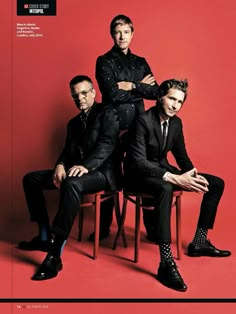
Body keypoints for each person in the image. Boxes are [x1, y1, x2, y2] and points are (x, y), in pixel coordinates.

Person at [124, 78, 231, 292]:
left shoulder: (176, 123)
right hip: (138, 175)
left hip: (162, 170)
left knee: (216, 183)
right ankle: (166, 261)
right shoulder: (142, 121)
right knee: (166, 188)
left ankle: (199, 241)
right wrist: (175, 179)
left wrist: (192, 175)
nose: (175, 105)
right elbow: (139, 162)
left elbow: (181, 157)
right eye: (172, 99)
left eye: (180, 102)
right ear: (160, 97)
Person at [18, 75, 120, 280]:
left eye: (84, 93)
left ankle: (55, 255)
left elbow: (107, 145)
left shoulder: (108, 112)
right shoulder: (73, 123)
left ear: (93, 93)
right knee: (30, 179)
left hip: (103, 174)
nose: (80, 98)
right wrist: (60, 165)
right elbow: (67, 150)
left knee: (71, 184)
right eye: (75, 95)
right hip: (76, 171)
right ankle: (44, 236)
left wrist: (85, 166)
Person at [95, 14, 159, 239]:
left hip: (138, 127)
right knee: (109, 173)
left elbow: (156, 92)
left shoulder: (140, 62)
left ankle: (153, 231)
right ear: (112, 35)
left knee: (144, 171)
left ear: (132, 34)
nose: (121, 36)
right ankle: (103, 229)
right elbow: (110, 93)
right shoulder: (104, 61)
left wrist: (131, 85)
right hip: (111, 126)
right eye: (117, 32)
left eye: (125, 32)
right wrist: (140, 88)